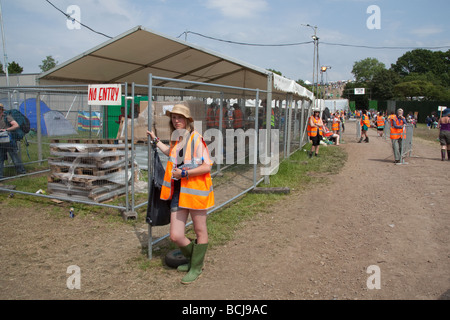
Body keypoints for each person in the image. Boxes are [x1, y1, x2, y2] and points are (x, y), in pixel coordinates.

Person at [146, 104, 214, 284]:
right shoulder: (177, 139)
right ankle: (194, 260)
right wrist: (156, 141)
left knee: (200, 230)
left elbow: (207, 165)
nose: (176, 120)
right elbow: (171, 154)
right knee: (175, 235)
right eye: (174, 117)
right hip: (178, 193)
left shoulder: (196, 138)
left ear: (187, 120)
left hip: (196, 192)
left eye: (180, 117)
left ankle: (196, 267)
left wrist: (184, 173)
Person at [0, 103, 26, 180]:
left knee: (14, 156)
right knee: (0, 158)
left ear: (1, 109)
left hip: (9, 141)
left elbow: (16, 125)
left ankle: (21, 172)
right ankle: (0, 177)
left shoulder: (7, 117)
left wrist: (6, 130)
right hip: (1, 141)